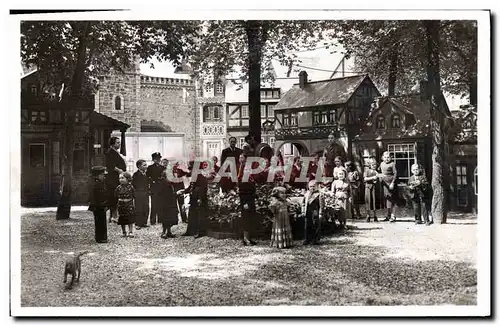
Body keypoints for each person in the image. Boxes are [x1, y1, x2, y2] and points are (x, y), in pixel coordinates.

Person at [105, 136, 127, 223]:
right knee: (114, 196)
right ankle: (113, 216)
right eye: (118, 143)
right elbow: (110, 165)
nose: (119, 144)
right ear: (113, 143)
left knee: (115, 196)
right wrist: (119, 170)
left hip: (116, 177)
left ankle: (112, 216)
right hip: (113, 178)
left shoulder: (115, 152)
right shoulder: (110, 152)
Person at [237, 153, 258, 246]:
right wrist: (244, 202)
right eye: (240, 157)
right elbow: (241, 189)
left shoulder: (248, 171)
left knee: (251, 218)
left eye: (242, 157)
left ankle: (249, 238)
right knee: (246, 218)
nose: (240, 159)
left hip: (250, 197)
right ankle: (245, 239)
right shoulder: (240, 172)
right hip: (245, 199)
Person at [88, 166, 109, 243]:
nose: (104, 176)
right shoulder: (97, 184)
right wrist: (104, 204)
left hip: (99, 205)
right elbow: (98, 196)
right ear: (98, 175)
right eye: (103, 175)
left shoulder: (97, 183)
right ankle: (101, 238)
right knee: (100, 222)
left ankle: (101, 237)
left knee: (100, 221)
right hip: (99, 205)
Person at [301, 180, 324, 245]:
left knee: (315, 226)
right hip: (308, 212)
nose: (312, 188)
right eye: (310, 186)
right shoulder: (306, 194)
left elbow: (321, 205)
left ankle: (315, 239)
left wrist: (320, 213)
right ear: (308, 187)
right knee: (307, 226)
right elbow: (303, 203)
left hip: (315, 212)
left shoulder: (319, 194)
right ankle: (307, 239)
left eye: (314, 186)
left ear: (317, 187)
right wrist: (303, 211)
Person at [158, 170, 179, 238]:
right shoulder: (163, 183)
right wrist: (176, 194)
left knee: (171, 218)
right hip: (165, 204)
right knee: (166, 218)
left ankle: (169, 232)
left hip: (171, 203)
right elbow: (165, 195)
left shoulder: (170, 183)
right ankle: (163, 232)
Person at [378, 151, 398, 222]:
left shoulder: (392, 164)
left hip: (391, 183)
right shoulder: (381, 164)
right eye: (385, 157)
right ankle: (388, 215)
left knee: (392, 199)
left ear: (391, 158)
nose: (386, 159)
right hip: (384, 184)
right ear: (382, 158)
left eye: (388, 157)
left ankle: (393, 216)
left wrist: (392, 183)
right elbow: (379, 172)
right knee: (387, 199)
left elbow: (395, 174)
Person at [147, 152, 165, 225]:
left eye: (159, 158)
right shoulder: (150, 168)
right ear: (153, 160)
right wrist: (152, 181)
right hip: (154, 187)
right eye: (156, 159)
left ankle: (160, 219)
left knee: (161, 203)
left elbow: (165, 177)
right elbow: (148, 177)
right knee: (154, 204)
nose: (158, 160)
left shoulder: (163, 167)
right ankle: (153, 220)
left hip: (161, 187)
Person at [115, 172, 136, 237]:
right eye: (119, 178)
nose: (121, 179)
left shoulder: (131, 187)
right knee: (122, 218)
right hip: (121, 205)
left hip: (129, 204)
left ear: (128, 179)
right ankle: (124, 232)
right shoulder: (118, 188)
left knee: (130, 218)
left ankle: (130, 231)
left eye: (122, 178)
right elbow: (115, 196)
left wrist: (133, 204)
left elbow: (134, 196)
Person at [132, 159, 149, 229]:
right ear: (139, 166)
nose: (146, 166)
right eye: (144, 165)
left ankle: (144, 222)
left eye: (146, 165)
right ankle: (138, 223)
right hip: (138, 193)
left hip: (146, 193)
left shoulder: (147, 174)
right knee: (139, 208)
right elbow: (134, 184)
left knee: (146, 207)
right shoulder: (136, 175)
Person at [363, 158, 379, 222]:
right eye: (372, 164)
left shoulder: (376, 172)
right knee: (368, 201)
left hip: (374, 188)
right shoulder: (367, 171)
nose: (374, 166)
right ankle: (368, 215)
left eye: (375, 164)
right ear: (369, 165)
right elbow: (365, 179)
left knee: (374, 201)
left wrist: (376, 180)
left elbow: (377, 180)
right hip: (368, 187)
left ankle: (375, 216)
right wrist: (372, 178)